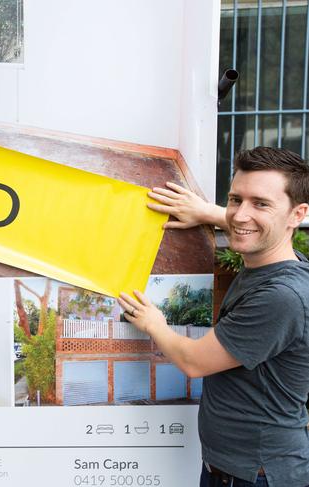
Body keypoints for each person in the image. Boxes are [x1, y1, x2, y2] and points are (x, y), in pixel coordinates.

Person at [117, 147, 309, 487]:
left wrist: (153, 323)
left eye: (260, 203)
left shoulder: (281, 297)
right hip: (230, 469)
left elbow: (194, 362)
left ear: (297, 214)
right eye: (236, 199)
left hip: (258, 476)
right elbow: (252, 224)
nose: (239, 215)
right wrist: (208, 212)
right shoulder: (278, 259)